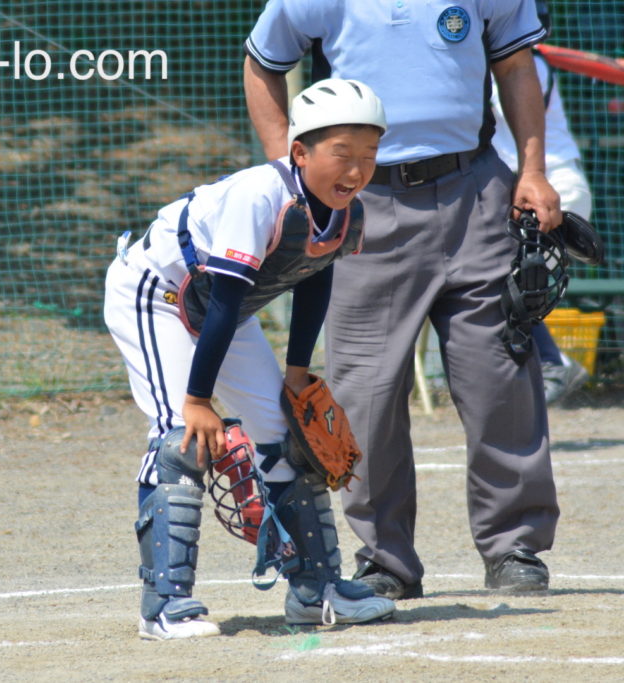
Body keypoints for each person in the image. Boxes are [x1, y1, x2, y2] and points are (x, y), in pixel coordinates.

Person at [243, 0, 562, 600]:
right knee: (364, 392)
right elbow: (262, 63)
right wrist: (284, 167)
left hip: (477, 191)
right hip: (365, 203)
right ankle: (385, 557)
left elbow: (518, 67)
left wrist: (534, 171)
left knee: (500, 375)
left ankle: (514, 546)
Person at [104, 78, 395, 639]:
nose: (356, 170)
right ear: (301, 152)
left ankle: (316, 592)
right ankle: (163, 607)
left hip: (219, 310)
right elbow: (228, 298)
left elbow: (314, 277)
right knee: (180, 438)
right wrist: (197, 400)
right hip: (157, 293)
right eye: (342, 153)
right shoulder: (259, 195)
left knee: (289, 435)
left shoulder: (345, 209)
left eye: (369, 154)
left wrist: (295, 376)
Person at [490, 1, 592, 404]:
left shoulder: (529, 69)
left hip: (555, 189)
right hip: (528, 191)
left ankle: (551, 363)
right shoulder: (488, 68)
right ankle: (553, 363)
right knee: (498, 277)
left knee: (506, 276)